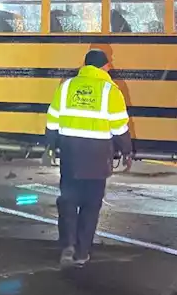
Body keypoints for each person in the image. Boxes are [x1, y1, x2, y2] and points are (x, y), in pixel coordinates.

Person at [44, 48, 132, 267]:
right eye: (108, 64)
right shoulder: (110, 90)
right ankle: (82, 252)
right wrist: (127, 151)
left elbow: (52, 121)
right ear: (102, 67)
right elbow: (120, 127)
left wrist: (50, 148)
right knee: (91, 206)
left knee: (68, 201)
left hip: (71, 155)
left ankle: (67, 246)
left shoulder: (67, 87)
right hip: (97, 157)